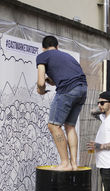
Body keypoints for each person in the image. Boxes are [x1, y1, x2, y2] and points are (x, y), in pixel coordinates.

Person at [36, 36, 88, 171]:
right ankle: (74, 164)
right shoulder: (66, 56)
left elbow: (40, 82)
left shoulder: (43, 56)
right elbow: (66, 76)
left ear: (43, 48)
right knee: (70, 126)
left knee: (53, 125)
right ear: (57, 47)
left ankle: (65, 163)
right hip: (82, 89)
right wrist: (51, 81)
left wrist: (41, 90)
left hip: (68, 90)